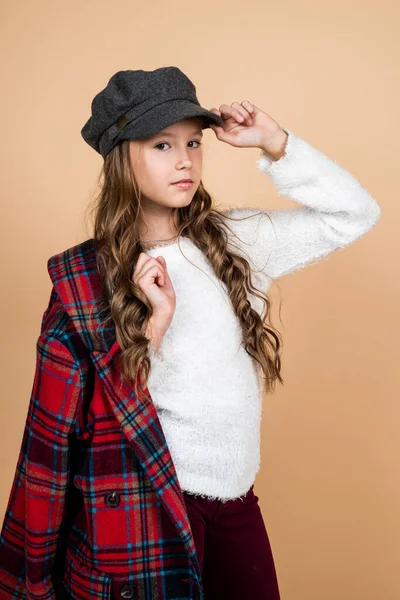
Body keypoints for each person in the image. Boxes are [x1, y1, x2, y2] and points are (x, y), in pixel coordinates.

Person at [0, 66, 381, 600]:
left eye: (194, 143)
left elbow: (355, 214)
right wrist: (152, 328)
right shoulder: (87, 279)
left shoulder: (238, 242)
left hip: (235, 501)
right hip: (146, 505)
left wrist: (277, 144)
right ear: (122, 158)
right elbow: (65, 432)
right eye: (161, 144)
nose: (185, 160)